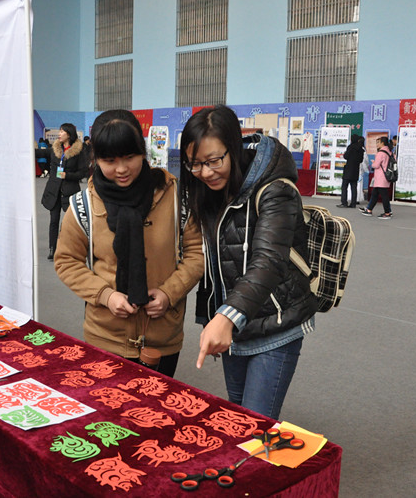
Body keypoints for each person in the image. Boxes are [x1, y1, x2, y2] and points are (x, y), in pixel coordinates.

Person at [180, 105, 317, 419]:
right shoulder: (207, 191)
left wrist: (225, 317)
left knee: (255, 422)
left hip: (276, 324)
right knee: (238, 417)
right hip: (236, 325)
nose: (206, 172)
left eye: (214, 160)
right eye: (195, 164)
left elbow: (268, 260)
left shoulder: (275, 189)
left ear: (234, 147)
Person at [54, 110, 203, 378]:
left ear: (143, 152)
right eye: (109, 160)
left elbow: (196, 253)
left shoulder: (175, 196)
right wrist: (105, 295)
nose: (121, 169)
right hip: (105, 334)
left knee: (157, 403)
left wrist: (169, 293)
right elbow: (67, 261)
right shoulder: (83, 205)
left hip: (162, 335)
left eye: (130, 157)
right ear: (95, 158)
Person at [39, 123, 88, 260]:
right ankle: (52, 249)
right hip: (54, 191)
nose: (59, 134)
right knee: (53, 221)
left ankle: (68, 249)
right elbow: (41, 153)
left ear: (69, 134)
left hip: (70, 191)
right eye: (59, 131)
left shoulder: (78, 151)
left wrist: (68, 175)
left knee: (69, 223)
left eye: (62, 131)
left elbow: (83, 172)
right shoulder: (55, 149)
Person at [360, 136, 394, 219]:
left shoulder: (381, 153)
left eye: (378, 142)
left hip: (380, 177)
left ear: (382, 143)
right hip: (385, 176)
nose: (377, 144)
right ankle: (369, 209)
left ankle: (387, 212)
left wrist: (373, 163)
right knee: (375, 194)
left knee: (383, 195)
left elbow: (376, 165)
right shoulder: (389, 152)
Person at [338, 134, 365, 208]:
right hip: (356, 170)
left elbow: (346, 156)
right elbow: (361, 160)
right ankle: (353, 203)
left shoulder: (350, 147)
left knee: (344, 187)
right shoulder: (360, 149)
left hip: (348, 169)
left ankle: (344, 202)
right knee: (354, 187)